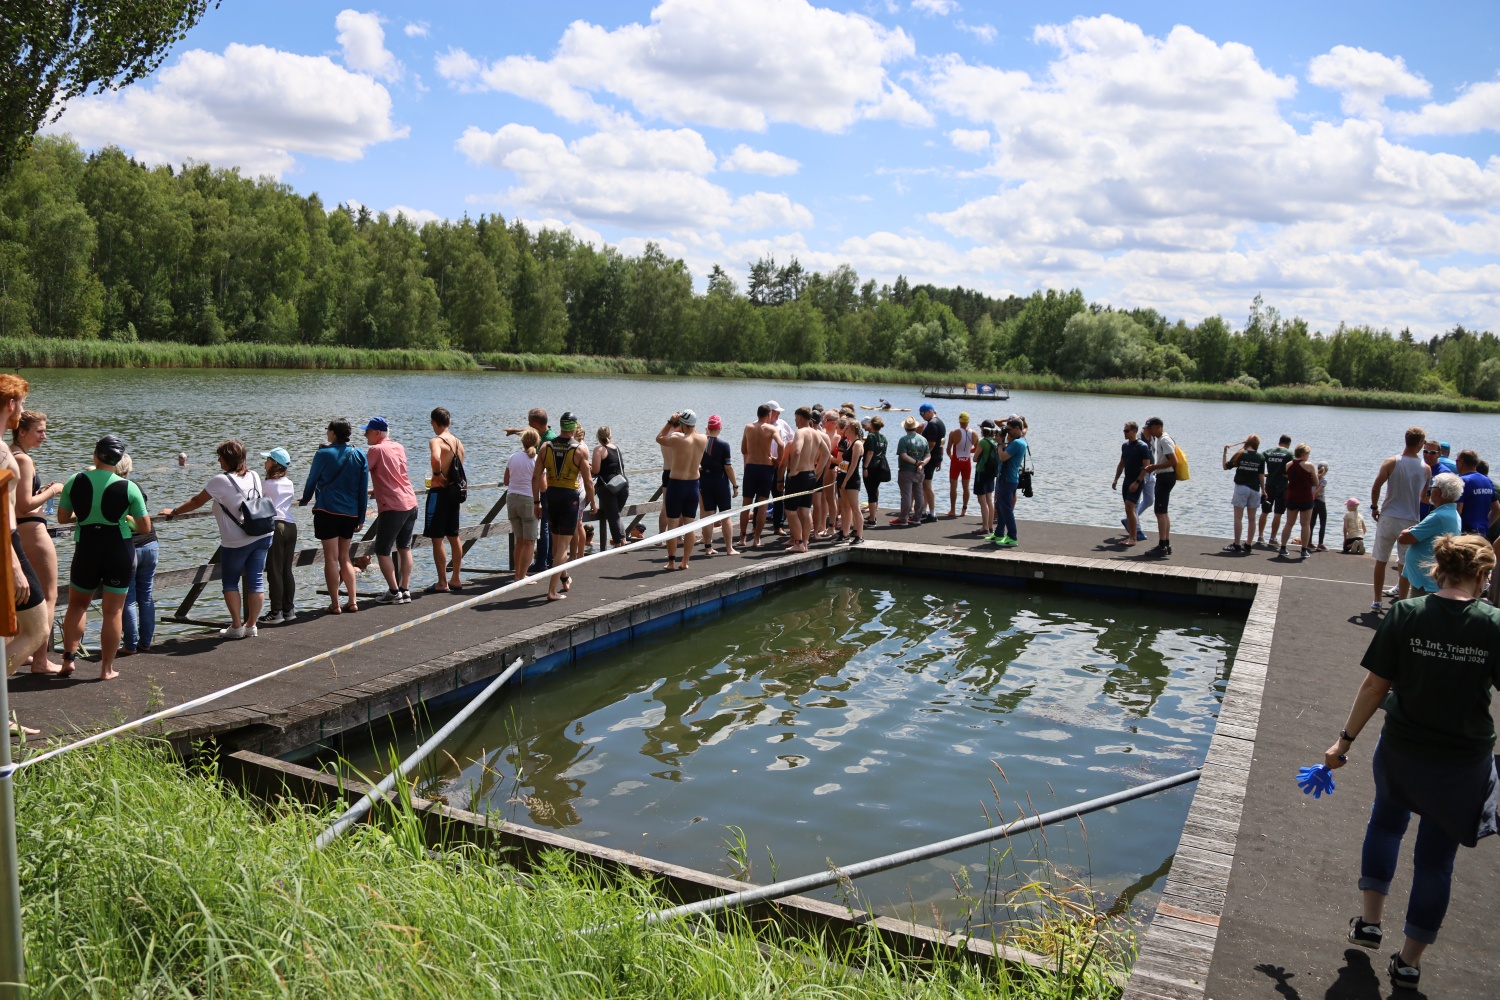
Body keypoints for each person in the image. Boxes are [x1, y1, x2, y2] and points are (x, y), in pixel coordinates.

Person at [1323, 533, 1499, 992]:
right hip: (1463, 761)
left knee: (1386, 825)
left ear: (1440, 569)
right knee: (1437, 860)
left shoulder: (1406, 613)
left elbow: (1375, 686)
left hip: (1403, 748)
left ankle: (1369, 924)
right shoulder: (1494, 624)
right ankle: (1408, 963)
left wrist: (1343, 742)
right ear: (1482, 574)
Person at [163, 439, 276, 636]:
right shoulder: (254, 475)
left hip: (236, 541)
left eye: (220, 457)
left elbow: (197, 501)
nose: (218, 460)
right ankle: (251, 626)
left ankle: (236, 626)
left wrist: (174, 511)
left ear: (228, 459)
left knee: (230, 582)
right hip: (263, 534)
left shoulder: (220, 480)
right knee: (256, 580)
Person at [58, 434, 148, 679]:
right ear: (118, 460)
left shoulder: (75, 480)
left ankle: (68, 660)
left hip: (86, 549)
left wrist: (87, 515)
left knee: (77, 605)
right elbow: (145, 527)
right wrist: (125, 518)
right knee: (113, 611)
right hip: (119, 550)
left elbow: (63, 518)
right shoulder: (129, 487)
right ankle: (106, 669)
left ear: (95, 455)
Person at [0, 379, 51, 684]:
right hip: (7, 543)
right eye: (20, 404)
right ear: (11, 405)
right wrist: (15, 565)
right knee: (37, 628)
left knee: (13, 629)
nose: (21, 410)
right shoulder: (4, 453)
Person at [298, 419, 369, 613]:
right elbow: (362, 489)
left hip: (327, 511)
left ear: (333, 432)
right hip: (350, 513)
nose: (326, 433)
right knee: (345, 557)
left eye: (327, 430)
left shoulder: (323, 454)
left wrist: (306, 498)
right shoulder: (359, 454)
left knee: (330, 558)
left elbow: (312, 480)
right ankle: (353, 601)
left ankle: (335, 604)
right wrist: (361, 517)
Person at [11, 410, 62, 673]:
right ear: (22, 432)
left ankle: (24, 653)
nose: (44, 436)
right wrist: (53, 491)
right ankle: (41, 660)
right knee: (49, 596)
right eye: (39, 431)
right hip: (32, 532)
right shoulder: (23, 459)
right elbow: (24, 505)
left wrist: (39, 492)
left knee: (24, 596)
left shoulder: (9, 454)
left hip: (19, 532)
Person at [534, 412, 596, 599]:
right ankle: (552, 591)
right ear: (575, 427)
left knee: (556, 544)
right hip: (569, 497)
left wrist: (536, 502)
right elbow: (588, 482)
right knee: (563, 547)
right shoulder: (580, 449)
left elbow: (536, 477)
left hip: (551, 496)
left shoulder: (545, 446)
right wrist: (593, 502)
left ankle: (564, 578)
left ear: (560, 426)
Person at [1370, 427, 1430, 612]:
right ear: (1419, 443)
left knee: (1381, 560)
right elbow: (1424, 497)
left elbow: (1376, 487)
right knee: (1405, 563)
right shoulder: (1426, 468)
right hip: (1410, 520)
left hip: (1388, 516)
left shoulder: (1391, 461)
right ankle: (1402, 602)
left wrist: (1374, 507)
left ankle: (1377, 601)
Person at [364, 417, 418, 605]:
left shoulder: (376, 450)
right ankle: (405, 590)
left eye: (367, 431)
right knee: (405, 547)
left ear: (377, 433)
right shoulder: (399, 447)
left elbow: (361, 472)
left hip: (393, 506)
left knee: (382, 549)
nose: (365, 435)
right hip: (410, 502)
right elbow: (393, 474)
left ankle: (394, 592)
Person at [114, 454, 158, 655]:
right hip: (150, 544)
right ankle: (146, 642)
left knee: (129, 598)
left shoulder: (111, 489)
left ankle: (130, 645)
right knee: (146, 595)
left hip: (128, 547)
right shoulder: (135, 487)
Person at [655, 409, 707, 568]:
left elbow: (659, 438)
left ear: (682, 424)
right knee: (690, 525)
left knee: (672, 525)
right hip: (693, 485)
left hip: (677, 485)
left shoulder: (677, 438)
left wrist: (670, 422)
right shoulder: (703, 439)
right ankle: (685, 562)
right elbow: (693, 431)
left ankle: (671, 562)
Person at [424, 407, 467, 593]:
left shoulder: (436, 440)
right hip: (454, 493)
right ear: (449, 422)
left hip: (439, 493)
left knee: (437, 538)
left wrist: (437, 474)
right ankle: (456, 578)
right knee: (454, 536)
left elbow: (436, 458)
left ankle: (442, 582)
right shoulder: (458, 443)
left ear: (434, 422)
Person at [1398, 475, 1462, 597]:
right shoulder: (1450, 513)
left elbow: (1404, 538)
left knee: (1420, 607)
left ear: (1438, 492)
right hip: (1425, 577)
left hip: (1426, 581)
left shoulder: (1439, 516)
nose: (1430, 490)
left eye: (1432, 487)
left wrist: (1407, 530)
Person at [784, 407, 831, 551]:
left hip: (799, 475)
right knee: (805, 510)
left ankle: (798, 543)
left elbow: (797, 451)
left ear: (800, 417)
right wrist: (817, 471)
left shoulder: (800, 432)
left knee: (790, 511)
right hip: (811, 475)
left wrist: (793, 471)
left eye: (795, 417)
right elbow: (826, 454)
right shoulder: (816, 433)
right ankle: (805, 542)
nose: (795, 420)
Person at [260, 447, 298, 622]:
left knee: (274, 571)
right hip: (290, 525)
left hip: (275, 526)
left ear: (274, 463)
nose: (265, 462)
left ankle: (276, 612)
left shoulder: (266, 485)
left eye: (267, 460)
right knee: (286, 570)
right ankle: (288, 609)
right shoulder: (289, 483)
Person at [740, 404, 779, 548]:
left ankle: (742, 538)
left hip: (751, 467)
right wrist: (777, 460)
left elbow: (743, 449)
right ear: (769, 415)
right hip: (765, 468)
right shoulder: (771, 429)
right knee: (762, 504)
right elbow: (781, 444)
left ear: (757, 414)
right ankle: (757, 539)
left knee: (746, 504)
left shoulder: (748, 427)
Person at [1137, 417, 1178, 557]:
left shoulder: (1164, 440)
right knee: (1163, 512)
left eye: (1151, 428)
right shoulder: (1162, 439)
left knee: (1160, 512)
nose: (1149, 431)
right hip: (1166, 476)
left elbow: (1174, 461)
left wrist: (1154, 467)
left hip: (1165, 477)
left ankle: (1162, 546)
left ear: (1159, 427)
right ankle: (1166, 544)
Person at [699, 414, 738, 556]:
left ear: (708, 428)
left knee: (708, 515)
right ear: (720, 427)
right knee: (726, 516)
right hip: (720, 482)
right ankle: (729, 548)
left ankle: (708, 548)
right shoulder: (723, 445)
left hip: (705, 481)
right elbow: (728, 467)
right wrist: (735, 485)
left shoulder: (701, 443)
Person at [505, 429, 541, 581]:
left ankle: (517, 575)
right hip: (528, 500)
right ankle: (522, 577)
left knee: (519, 540)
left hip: (511, 499)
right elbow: (543, 486)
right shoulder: (537, 460)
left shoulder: (513, 457)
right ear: (537, 442)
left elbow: (506, 481)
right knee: (530, 541)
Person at [1222, 436, 1266, 553]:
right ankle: (1248, 544)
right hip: (1255, 489)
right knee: (1252, 518)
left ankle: (1236, 544)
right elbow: (1261, 475)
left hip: (1241, 488)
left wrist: (1224, 453)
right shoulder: (1260, 456)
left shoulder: (1241, 453)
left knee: (1238, 517)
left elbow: (1226, 467)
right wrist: (1263, 490)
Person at [1113, 421, 1151, 548]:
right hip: (1127, 480)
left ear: (1134, 431)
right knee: (1128, 509)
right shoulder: (1125, 446)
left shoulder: (1142, 446)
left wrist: (1137, 482)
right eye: (1124, 430)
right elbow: (1121, 464)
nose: (1124, 433)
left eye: (1126, 431)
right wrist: (1116, 479)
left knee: (1130, 507)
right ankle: (1131, 536)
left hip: (1137, 481)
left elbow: (1146, 467)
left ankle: (1133, 538)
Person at [590, 426, 628, 550]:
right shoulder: (616, 448)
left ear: (598, 437)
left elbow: (596, 470)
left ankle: (618, 544)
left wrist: (589, 468)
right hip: (623, 485)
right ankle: (623, 540)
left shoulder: (599, 450)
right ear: (610, 435)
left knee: (613, 516)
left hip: (608, 487)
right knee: (616, 515)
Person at [992, 417, 1027, 547]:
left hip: (1008, 479)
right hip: (1005, 478)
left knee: (1006, 509)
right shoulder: (1017, 441)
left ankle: (1012, 537)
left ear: (1017, 428)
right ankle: (999, 533)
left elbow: (1002, 457)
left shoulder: (1017, 443)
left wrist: (1000, 443)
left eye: (1009, 429)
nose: (1007, 431)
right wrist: (1002, 441)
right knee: (999, 507)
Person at [1279, 443, 1317, 559]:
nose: (1308, 456)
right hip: (1305, 497)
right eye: (1308, 454)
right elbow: (1316, 482)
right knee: (1305, 524)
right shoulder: (1309, 465)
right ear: (1304, 454)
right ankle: (1304, 550)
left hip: (1292, 496)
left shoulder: (1288, 464)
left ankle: (1283, 547)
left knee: (1289, 523)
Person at [890, 415, 928, 528]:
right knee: (919, 494)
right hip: (919, 471)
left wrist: (915, 462)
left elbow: (903, 455)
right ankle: (917, 517)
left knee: (906, 495)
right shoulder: (923, 439)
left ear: (905, 428)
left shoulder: (903, 440)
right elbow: (928, 455)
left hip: (906, 470)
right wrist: (921, 464)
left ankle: (903, 518)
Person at [1256, 435, 1294, 547]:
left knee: (1265, 511)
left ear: (1279, 442)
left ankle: (1260, 536)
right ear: (1288, 444)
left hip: (1269, 485)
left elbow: (1259, 459)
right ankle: (1272, 538)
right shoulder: (1289, 453)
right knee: (1278, 513)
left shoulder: (1268, 452)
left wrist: (1266, 473)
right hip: (1282, 486)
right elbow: (1297, 464)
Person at [1454, 449, 1496, 538]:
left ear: (1461, 462)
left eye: (1456, 461)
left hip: (1465, 534)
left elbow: (1458, 510)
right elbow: (1496, 509)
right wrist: (1485, 527)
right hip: (1481, 534)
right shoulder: (1487, 481)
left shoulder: (1462, 481)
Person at [836, 417, 865, 545]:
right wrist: (840, 468)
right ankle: (845, 533)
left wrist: (845, 481)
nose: (845, 430)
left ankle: (859, 535)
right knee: (844, 507)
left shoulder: (857, 444)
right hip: (843, 476)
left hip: (852, 479)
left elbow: (853, 464)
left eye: (847, 428)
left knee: (855, 508)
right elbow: (846, 462)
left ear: (852, 429)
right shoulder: (849, 443)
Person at [918, 404, 945, 523]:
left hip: (930, 458)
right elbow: (942, 442)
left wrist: (924, 457)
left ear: (930, 411)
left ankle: (932, 513)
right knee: (925, 484)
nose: (922, 416)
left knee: (927, 485)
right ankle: (924, 511)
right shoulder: (940, 422)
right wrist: (940, 459)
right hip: (936, 457)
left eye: (923, 414)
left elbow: (932, 444)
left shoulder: (932, 424)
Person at [946, 412, 975, 518]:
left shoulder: (954, 433)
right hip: (967, 461)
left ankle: (952, 510)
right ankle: (964, 510)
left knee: (953, 487)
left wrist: (951, 456)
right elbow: (976, 449)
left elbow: (948, 449)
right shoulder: (974, 433)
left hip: (956, 461)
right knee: (966, 487)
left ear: (959, 420)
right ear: (968, 420)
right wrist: (967, 451)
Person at [973, 420, 999, 538]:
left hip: (981, 472)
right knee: (989, 499)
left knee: (982, 501)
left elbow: (975, 458)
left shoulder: (983, 442)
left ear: (984, 429)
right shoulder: (995, 441)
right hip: (991, 473)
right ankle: (990, 526)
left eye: (981, 428)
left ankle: (984, 527)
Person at [862, 415, 889, 527]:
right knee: (875, 489)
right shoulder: (883, 438)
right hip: (880, 467)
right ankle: (873, 512)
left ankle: (872, 519)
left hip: (871, 467)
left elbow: (870, 452)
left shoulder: (871, 436)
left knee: (871, 493)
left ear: (872, 424)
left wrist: (865, 467)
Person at [1312, 462, 1330, 552]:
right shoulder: (1323, 480)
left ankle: (1308, 542)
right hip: (1320, 502)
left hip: (1312, 502)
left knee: (1311, 523)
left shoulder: (1313, 477)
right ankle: (1320, 544)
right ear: (1326, 470)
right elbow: (1317, 492)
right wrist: (1314, 496)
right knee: (1322, 523)